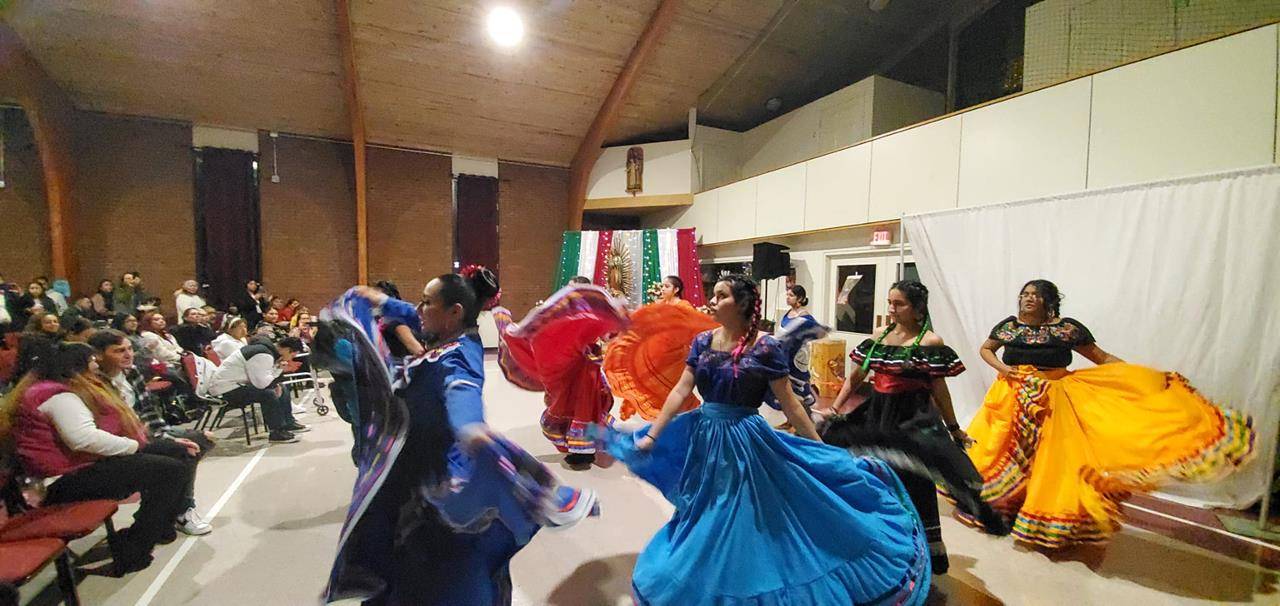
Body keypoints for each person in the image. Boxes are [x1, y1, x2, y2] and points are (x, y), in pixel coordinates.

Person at [603, 275, 931, 605]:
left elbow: (789, 402)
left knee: (736, 512)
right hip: (705, 439)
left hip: (746, 442)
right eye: (713, 295)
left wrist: (817, 445)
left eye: (721, 295)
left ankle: (742, 583)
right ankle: (713, 578)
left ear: (743, 304)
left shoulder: (766, 347)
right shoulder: (703, 342)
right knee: (707, 511)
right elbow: (681, 389)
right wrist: (654, 434)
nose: (712, 301)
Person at [323, 269, 598, 605]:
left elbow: (462, 394)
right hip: (414, 477)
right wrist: (383, 301)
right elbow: (410, 313)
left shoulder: (461, 355)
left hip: (438, 487)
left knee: (442, 575)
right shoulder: (445, 332)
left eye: (427, 303)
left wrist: (471, 429)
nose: (419, 309)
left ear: (454, 312)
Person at [966, 279, 1254, 549]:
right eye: (1025, 294)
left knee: (1052, 460)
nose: (1028, 299)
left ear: (1048, 301)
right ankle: (1000, 509)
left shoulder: (1066, 329)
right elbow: (986, 349)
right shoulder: (1008, 327)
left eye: (1035, 294)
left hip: (1054, 399)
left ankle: (1047, 515)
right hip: (1010, 398)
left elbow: (1101, 358)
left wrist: (1134, 375)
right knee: (1007, 453)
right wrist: (1006, 370)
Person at [816, 280, 1005, 574]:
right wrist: (837, 408)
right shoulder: (880, 335)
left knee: (915, 479)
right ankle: (878, 543)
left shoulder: (930, 342)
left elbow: (939, 390)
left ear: (917, 309)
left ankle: (921, 549)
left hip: (911, 418)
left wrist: (953, 427)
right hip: (877, 414)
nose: (891, 309)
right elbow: (856, 377)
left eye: (898, 303)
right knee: (871, 474)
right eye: (890, 302)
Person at [0, 340, 196, 575]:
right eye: (92, 360)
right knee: (170, 470)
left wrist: (153, 445)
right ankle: (135, 545)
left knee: (177, 452)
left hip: (79, 467)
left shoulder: (54, 389)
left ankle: (158, 526)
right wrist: (135, 447)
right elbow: (84, 439)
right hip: (62, 481)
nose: (96, 363)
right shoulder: (56, 395)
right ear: (77, 366)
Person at [90, 329, 214, 536]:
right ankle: (180, 510)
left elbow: (148, 410)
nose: (128, 355)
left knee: (200, 440)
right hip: (121, 442)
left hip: (144, 432)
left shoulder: (131, 372)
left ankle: (173, 510)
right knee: (189, 447)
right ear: (99, 355)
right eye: (119, 351)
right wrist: (162, 440)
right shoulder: (94, 384)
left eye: (129, 349)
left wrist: (163, 435)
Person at [494, 283, 628, 468]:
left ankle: (582, 451)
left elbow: (608, 334)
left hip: (585, 371)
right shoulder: (572, 316)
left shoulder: (586, 314)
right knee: (575, 406)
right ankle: (582, 450)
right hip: (575, 370)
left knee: (582, 407)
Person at [203, 336, 308, 443]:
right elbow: (261, 384)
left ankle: (288, 422)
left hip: (235, 385)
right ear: (286, 349)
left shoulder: (266, 351)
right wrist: (279, 370)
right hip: (225, 390)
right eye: (292, 354)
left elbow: (263, 377)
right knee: (268, 394)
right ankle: (276, 432)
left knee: (282, 387)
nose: (291, 358)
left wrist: (276, 378)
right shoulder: (263, 354)